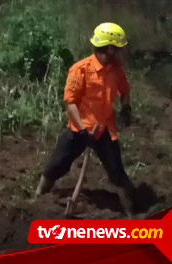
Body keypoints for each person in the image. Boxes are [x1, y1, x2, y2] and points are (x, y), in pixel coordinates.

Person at [35, 22, 135, 216]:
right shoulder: (80, 69)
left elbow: (125, 90)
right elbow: (70, 103)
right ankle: (37, 198)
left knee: (117, 172)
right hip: (79, 129)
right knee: (57, 165)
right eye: (120, 48)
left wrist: (126, 107)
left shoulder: (116, 71)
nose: (123, 52)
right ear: (110, 48)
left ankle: (132, 210)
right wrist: (82, 131)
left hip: (105, 130)